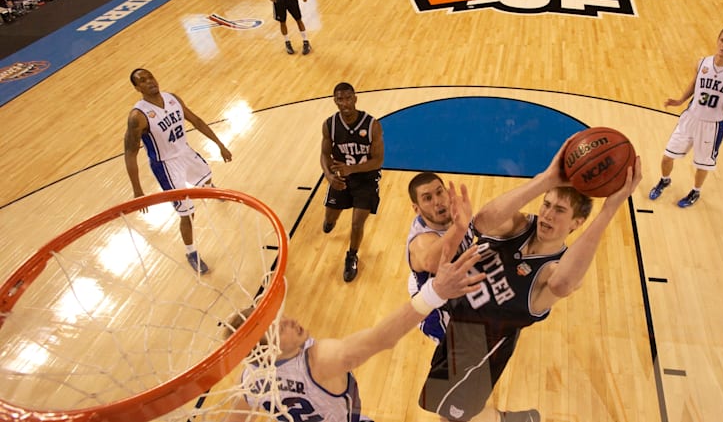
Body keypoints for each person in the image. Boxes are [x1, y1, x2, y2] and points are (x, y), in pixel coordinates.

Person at [417, 136, 642, 422]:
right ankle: (515, 420)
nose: (548, 214)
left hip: (481, 351)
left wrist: (610, 208)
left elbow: (563, 284)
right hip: (454, 325)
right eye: (546, 205)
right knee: (449, 410)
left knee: (451, 416)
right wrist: (546, 179)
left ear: (577, 223)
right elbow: (482, 221)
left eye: (559, 211)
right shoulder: (520, 226)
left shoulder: (555, 269)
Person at [225, 183, 485, 422]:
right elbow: (381, 338)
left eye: (280, 318)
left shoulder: (252, 376)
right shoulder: (319, 361)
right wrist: (434, 292)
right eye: (280, 328)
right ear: (268, 350)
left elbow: (234, 416)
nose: (290, 321)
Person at [123, 68, 233, 274]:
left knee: (207, 176)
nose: (150, 82)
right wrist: (137, 190)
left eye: (151, 77)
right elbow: (130, 154)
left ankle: (208, 186)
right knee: (188, 213)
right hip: (166, 165)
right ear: (137, 88)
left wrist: (220, 144)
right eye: (143, 81)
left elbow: (196, 121)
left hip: (185, 152)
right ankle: (191, 252)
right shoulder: (137, 116)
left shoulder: (172, 98)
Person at [646, 25, 723, 208]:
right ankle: (664, 180)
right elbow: (694, 84)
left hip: (712, 125)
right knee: (667, 156)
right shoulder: (703, 63)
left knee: (703, 164)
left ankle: (696, 191)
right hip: (690, 118)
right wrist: (680, 100)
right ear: (718, 40)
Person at [320, 82, 384, 283]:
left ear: (355, 98)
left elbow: (378, 160)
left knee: (357, 224)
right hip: (341, 177)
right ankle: (330, 220)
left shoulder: (372, 124)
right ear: (335, 101)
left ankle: (351, 255)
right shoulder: (329, 125)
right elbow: (324, 154)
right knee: (331, 218)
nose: (345, 103)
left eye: (348, 98)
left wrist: (353, 169)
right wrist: (329, 176)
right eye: (340, 99)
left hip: (365, 178)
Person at [406, 172, 475, 343]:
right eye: (427, 198)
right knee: (467, 359)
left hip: (454, 287)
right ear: (417, 208)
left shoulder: (456, 211)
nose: (437, 201)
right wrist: (460, 227)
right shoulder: (421, 241)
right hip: (439, 313)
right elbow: (432, 262)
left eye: (439, 192)